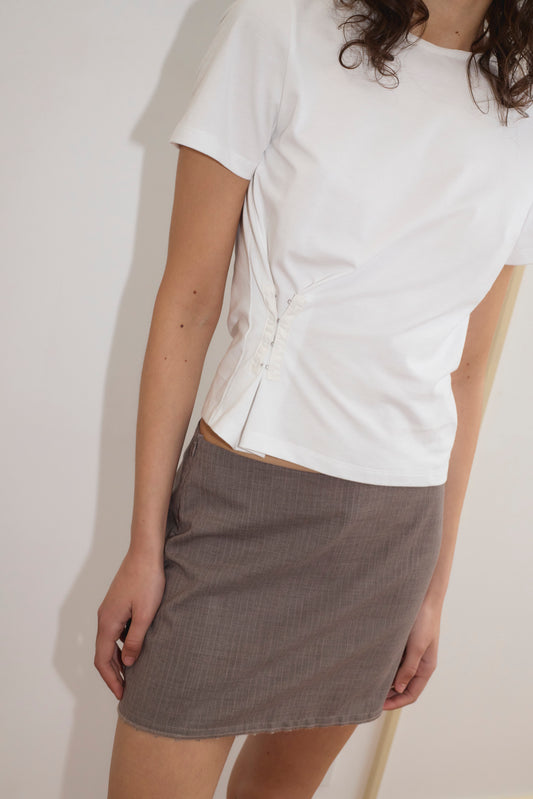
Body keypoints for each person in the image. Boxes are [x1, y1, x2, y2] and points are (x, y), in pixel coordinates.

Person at [94, 0, 533, 796]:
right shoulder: (281, 28)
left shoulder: (520, 112)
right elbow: (188, 297)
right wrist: (143, 543)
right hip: (240, 509)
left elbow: (468, 373)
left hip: (392, 535)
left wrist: (433, 587)